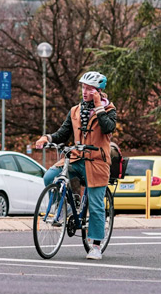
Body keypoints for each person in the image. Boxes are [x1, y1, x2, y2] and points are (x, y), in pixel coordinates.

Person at [34, 70, 118, 260]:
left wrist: (98, 106)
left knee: (96, 205)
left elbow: (108, 128)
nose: (85, 92)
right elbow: (63, 133)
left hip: (97, 161)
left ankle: (95, 245)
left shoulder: (109, 109)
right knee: (50, 176)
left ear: (98, 91)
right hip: (76, 158)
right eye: (83, 88)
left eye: (89, 89)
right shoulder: (75, 111)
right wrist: (47, 137)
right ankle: (67, 208)